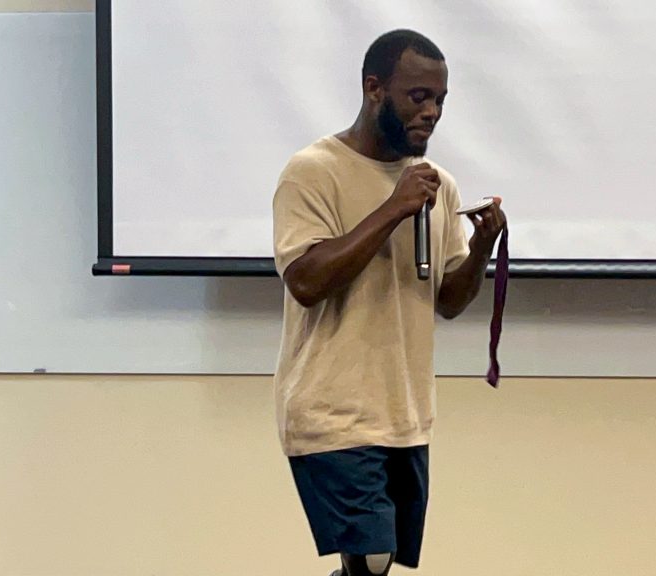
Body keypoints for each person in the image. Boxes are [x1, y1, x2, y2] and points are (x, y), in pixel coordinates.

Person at [271, 29, 507, 576]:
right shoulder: (312, 171)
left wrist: (481, 249)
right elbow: (305, 281)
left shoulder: (436, 184)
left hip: (404, 412)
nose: (432, 113)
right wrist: (392, 208)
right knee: (370, 560)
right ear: (373, 88)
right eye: (418, 97)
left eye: (441, 100)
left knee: (380, 563)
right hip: (332, 410)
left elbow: (448, 300)